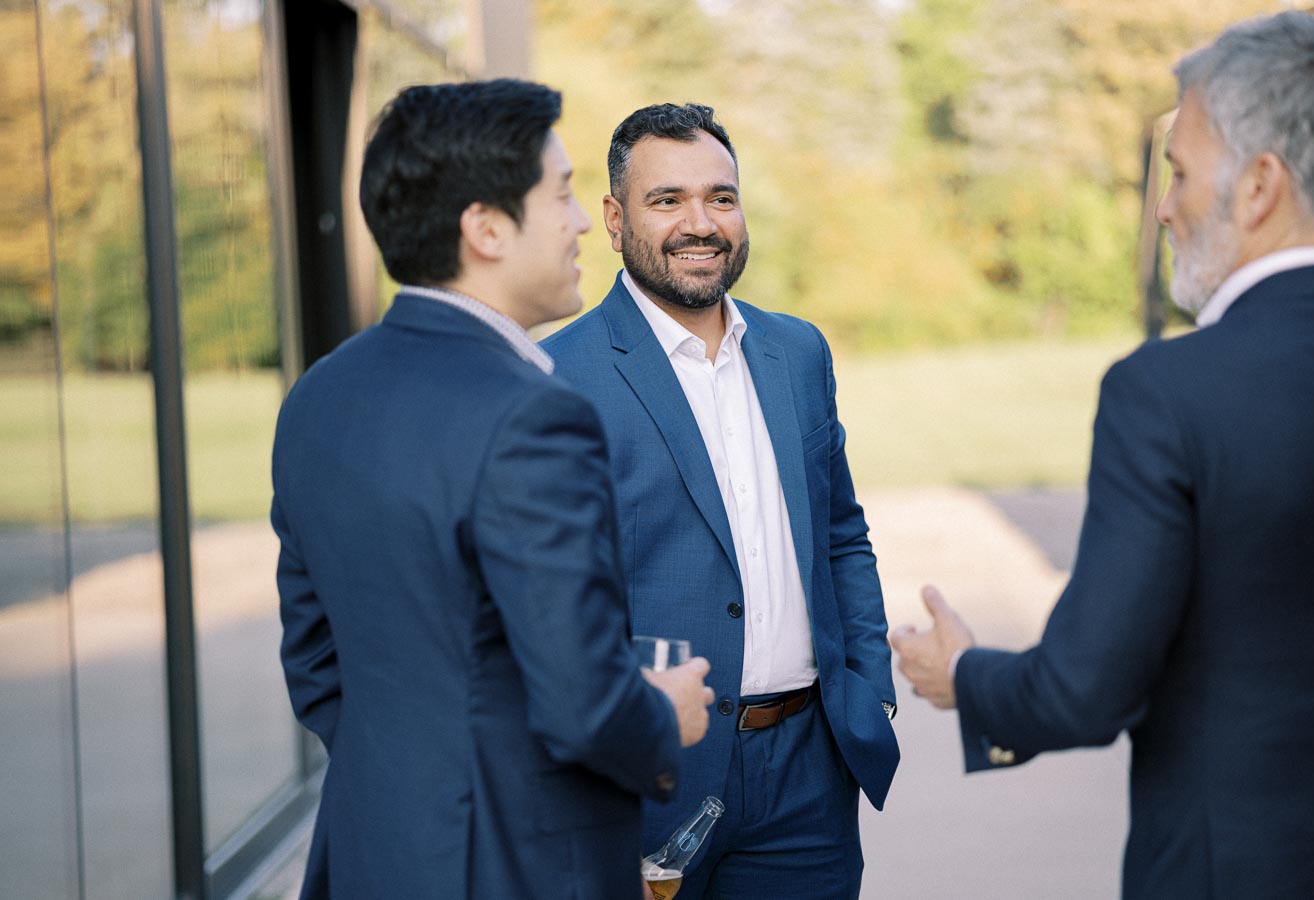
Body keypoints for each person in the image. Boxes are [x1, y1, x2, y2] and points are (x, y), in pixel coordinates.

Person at [891, 12, 1314, 899]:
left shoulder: (1169, 395)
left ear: (1258, 186)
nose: (1166, 205)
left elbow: (1081, 689)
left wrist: (964, 676)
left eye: (1178, 172)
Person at [272, 79, 715, 900]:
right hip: (516, 869)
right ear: (485, 228)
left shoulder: (318, 396)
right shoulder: (534, 416)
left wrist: (419, 786)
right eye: (560, 194)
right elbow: (582, 704)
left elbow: (317, 666)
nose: (584, 220)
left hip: (370, 852)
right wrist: (663, 716)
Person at [542, 103, 900, 899]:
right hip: (645, 777)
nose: (698, 223)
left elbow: (841, 533)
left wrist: (867, 682)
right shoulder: (555, 378)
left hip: (808, 774)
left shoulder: (797, 351)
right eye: (665, 200)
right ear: (613, 217)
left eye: (721, 198)